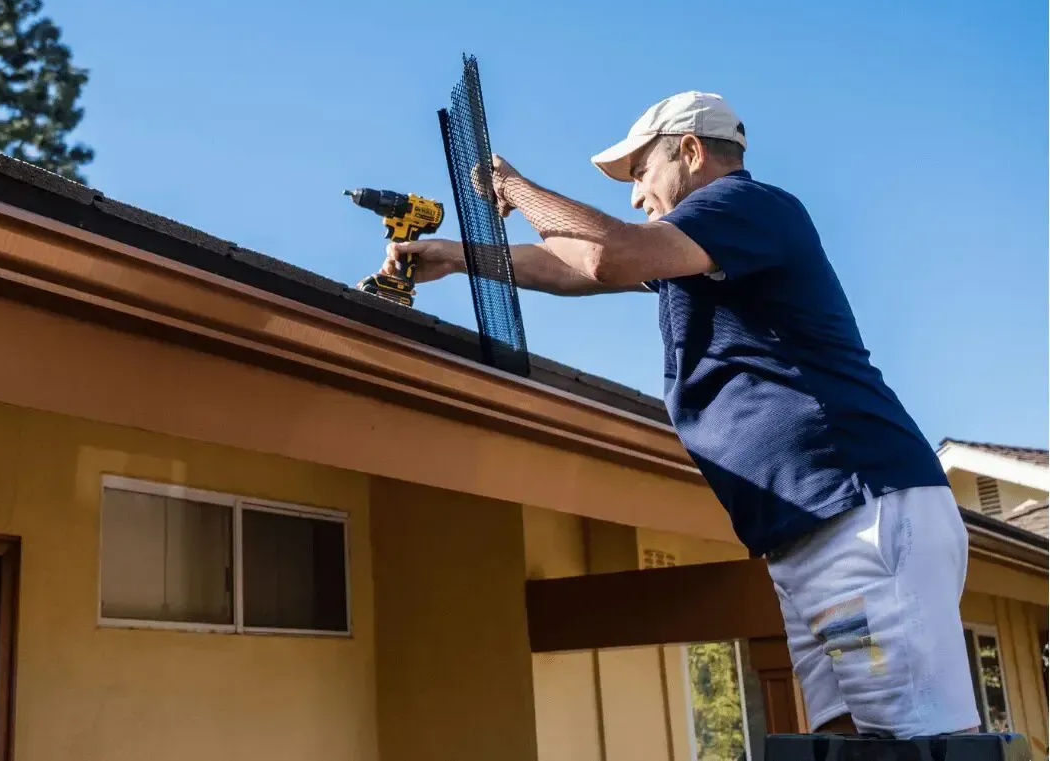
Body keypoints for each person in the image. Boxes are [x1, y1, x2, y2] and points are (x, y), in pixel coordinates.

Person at [379, 91, 981, 739]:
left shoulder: (745, 205)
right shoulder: (704, 248)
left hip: (857, 512)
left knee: (917, 744)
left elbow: (611, 252)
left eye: (639, 172)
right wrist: (457, 255)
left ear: (690, 151)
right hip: (804, 529)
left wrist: (513, 188)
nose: (635, 195)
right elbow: (578, 265)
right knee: (838, 738)